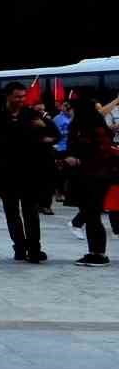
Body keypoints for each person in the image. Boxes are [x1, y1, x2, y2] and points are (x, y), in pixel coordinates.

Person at [0, 82, 56, 263]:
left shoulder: (31, 114)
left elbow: (55, 133)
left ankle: (34, 248)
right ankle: (19, 246)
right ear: (8, 96)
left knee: (31, 211)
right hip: (6, 172)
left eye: (23, 96)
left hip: (30, 171)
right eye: (18, 96)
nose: (21, 100)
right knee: (11, 212)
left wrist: (43, 133)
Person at [63, 97, 116, 267]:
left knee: (93, 214)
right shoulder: (88, 125)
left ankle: (99, 253)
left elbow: (100, 153)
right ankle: (94, 252)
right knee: (92, 216)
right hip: (89, 176)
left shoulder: (92, 128)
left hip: (95, 177)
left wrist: (79, 161)